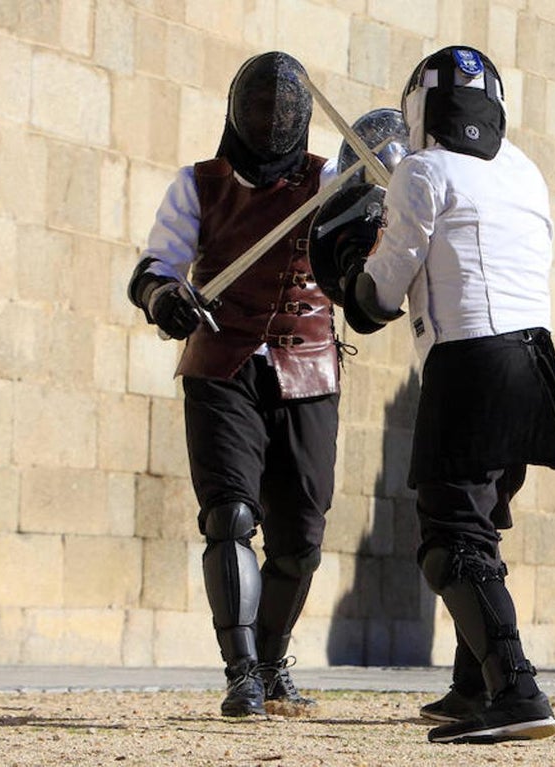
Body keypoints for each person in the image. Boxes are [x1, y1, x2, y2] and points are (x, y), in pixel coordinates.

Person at [326, 45, 555, 744]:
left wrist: (349, 269)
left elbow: (380, 293)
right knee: (481, 526)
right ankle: (472, 682)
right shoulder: (525, 170)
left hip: (471, 367)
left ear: (421, 109)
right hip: (536, 366)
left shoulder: (422, 171)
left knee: (451, 539)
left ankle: (515, 688)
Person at [127, 51, 343, 717]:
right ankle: (241, 671)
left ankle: (275, 662)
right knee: (231, 516)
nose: (271, 118)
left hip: (308, 367)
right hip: (221, 361)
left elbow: (375, 244)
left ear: (302, 116)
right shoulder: (199, 184)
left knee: (300, 537)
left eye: (283, 108)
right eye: (258, 106)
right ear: (236, 110)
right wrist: (166, 297)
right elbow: (155, 267)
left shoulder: (333, 180)